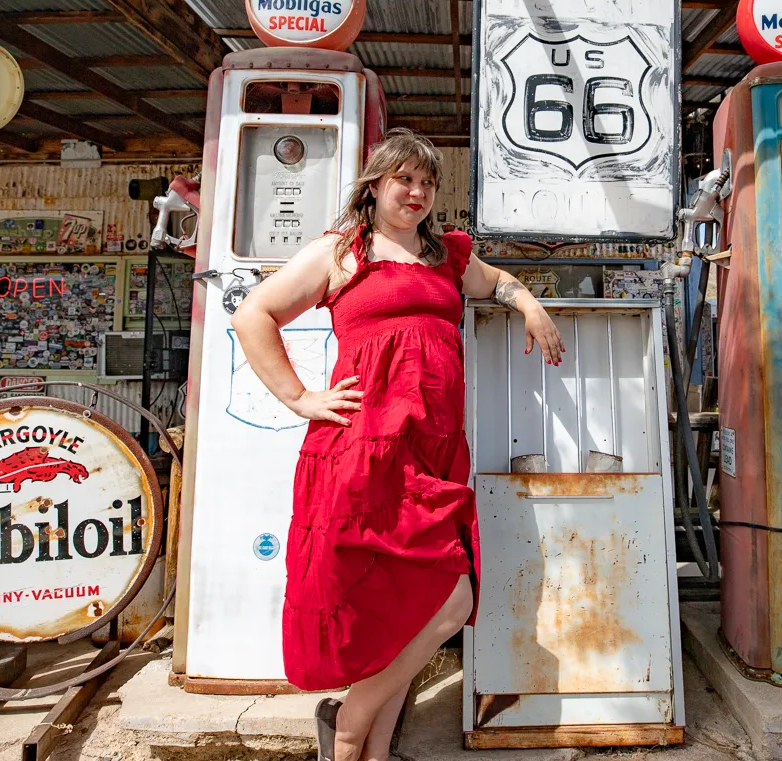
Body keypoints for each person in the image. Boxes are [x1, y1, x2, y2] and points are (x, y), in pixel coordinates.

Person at [231, 129, 565, 761]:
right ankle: (354, 731)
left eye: (427, 183)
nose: (416, 193)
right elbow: (253, 314)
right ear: (376, 185)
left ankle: (360, 738)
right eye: (403, 180)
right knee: (417, 598)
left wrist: (530, 306)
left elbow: (497, 284)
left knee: (432, 603)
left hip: (433, 449)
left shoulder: (448, 255)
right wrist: (303, 400)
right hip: (365, 448)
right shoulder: (343, 252)